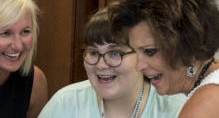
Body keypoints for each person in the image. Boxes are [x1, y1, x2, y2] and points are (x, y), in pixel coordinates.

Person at [108, 0, 219, 117]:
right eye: (134, 51)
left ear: (187, 44)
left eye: (150, 51)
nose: (138, 66)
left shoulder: (204, 105)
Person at [38, 8, 186, 118]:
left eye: (115, 53)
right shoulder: (64, 102)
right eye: (94, 53)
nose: (101, 65)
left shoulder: (178, 109)